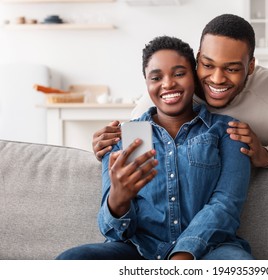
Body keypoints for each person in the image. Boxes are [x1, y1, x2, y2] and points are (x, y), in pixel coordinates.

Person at [56, 36, 254, 260]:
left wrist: (183, 255)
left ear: (195, 77)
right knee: (71, 261)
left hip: (209, 250)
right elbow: (111, 230)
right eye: (156, 77)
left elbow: (225, 205)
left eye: (179, 74)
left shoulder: (227, 131)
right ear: (147, 83)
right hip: (139, 251)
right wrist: (118, 199)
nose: (168, 83)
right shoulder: (125, 137)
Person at [92, 14, 268, 168]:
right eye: (207, 65)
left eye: (232, 68)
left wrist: (266, 155)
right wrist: (109, 146)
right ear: (197, 59)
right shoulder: (175, 89)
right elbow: (136, 143)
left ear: (251, 66)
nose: (216, 79)